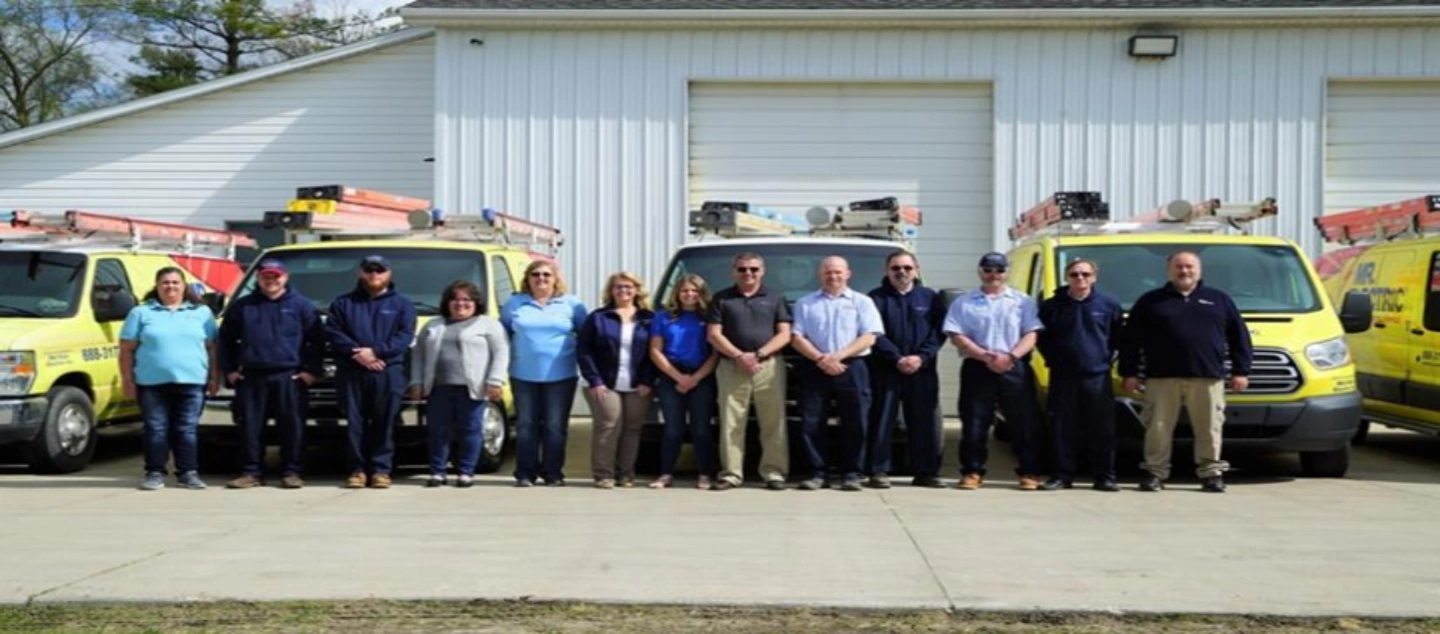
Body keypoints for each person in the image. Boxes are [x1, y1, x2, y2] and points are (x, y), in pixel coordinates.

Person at [1121, 251, 1252, 493]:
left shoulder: (1219, 300)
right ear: (1168, 270)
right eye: (1179, 267)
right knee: (1157, 428)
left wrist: (1240, 371)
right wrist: (1129, 372)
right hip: (1161, 377)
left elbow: (1239, 337)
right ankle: (1155, 473)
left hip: (1207, 376)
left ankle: (1211, 474)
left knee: (1209, 428)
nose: (1184, 271)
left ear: (1199, 270)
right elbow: (1131, 340)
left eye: (1189, 267)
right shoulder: (1150, 301)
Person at [942, 252, 1047, 491]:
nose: (994, 275)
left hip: (1014, 365)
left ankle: (1029, 472)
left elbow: (1032, 333)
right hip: (978, 366)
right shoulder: (965, 302)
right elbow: (955, 334)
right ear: (980, 271)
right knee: (974, 421)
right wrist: (983, 355)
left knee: (1024, 422)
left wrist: (1010, 356)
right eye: (988, 269)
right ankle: (972, 471)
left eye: (999, 270)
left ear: (1006, 272)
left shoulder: (1022, 301)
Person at [218, 259, 324, 490]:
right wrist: (231, 370)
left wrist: (311, 372)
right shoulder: (243, 307)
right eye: (266, 276)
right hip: (252, 377)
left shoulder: (302, 306)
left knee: (292, 427)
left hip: (290, 377)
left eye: (276, 276)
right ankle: (251, 472)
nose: (271, 280)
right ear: (258, 278)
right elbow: (225, 340)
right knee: (250, 428)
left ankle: (292, 472)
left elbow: (316, 342)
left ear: (285, 277)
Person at [119, 267, 220, 491]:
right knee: (156, 429)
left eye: (175, 282)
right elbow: (126, 350)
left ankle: (188, 473)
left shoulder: (201, 313)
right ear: (157, 286)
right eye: (165, 283)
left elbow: (213, 348)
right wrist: (127, 379)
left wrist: (214, 377)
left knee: (187, 429)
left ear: (184, 286)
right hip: (151, 383)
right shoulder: (140, 313)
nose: (170, 287)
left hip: (192, 381)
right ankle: (154, 472)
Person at [791, 256, 885, 492]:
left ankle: (852, 473)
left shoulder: (862, 302)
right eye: (827, 272)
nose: (833, 276)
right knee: (812, 422)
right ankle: (817, 473)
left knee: (856, 422)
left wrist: (838, 356)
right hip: (815, 367)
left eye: (837, 272)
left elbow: (869, 336)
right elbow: (796, 337)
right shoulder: (805, 303)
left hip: (852, 367)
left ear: (848, 274)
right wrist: (822, 359)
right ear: (819, 274)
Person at [326, 255, 417, 490]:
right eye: (369, 270)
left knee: (385, 422)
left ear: (389, 273)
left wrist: (376, 353)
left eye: (380, 270)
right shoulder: (342, 303)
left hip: (387, 372)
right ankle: (357, 470)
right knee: (354, 423)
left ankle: (381, 470)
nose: (374, 275)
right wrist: (359, 355)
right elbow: (334, 333)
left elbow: (404, 337)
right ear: (360, 273)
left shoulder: (402, 305)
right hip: (351, 371)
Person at [408, 280, 509, 488]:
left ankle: (466, 471)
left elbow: (501, 353)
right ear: (447, 303)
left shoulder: (488, 325)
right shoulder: (433, 325)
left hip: (473, 388)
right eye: (455, 299)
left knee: (471, 429)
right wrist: (416, 382)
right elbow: (418, 355)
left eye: (466, 300)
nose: (460, 304)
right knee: (438, 430)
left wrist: (495, 380)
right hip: (438, 388)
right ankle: (438, 471)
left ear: (475, 303)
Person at [1036, 259, 1124, 492]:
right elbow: (1042, 339)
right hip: (1063, 376)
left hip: (1097, 377)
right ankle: (1061, 476)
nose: (1080, 279)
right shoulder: (1052, 306)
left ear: (1094, 277)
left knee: (1102, 429)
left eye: (1085, 274)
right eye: (1074, 274)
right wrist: (1054, 360)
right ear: (1067, 277)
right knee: (1062, 428)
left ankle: (1104, 476)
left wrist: (1106, 361)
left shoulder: (1108, 305)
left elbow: (1117, 338)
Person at [707, 252, 792, 491]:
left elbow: (784, 333)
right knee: (731, 422)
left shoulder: (775, 297)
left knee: (773, 422)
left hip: (769, 366)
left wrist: (758, 355)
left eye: (753, 269)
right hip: (731, 365)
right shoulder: (721, 298)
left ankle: (774, 473)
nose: (748, 274)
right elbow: (714, 334)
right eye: (742, 269)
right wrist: (738, 356)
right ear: (734, 271)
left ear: (762, 271)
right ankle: (731, 474)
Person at [502, 260, 587, 487]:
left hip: (561, 376)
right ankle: (525, 473)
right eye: (535, 274)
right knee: (526, 425)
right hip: (523, 376)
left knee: (555, 426)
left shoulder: (572, 305)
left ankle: (553, 473)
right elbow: (504, 335)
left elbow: (585, 336)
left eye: (546, 275)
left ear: (555, 279)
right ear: (527, 278)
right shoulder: (515, 304)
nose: (541, 279)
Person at [867, 251, 948, 489]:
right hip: (885, 369)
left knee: (924, 422)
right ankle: (879, 470)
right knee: (882, 419)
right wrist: (896, 358)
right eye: (895, 268)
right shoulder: (875, 298)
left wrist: (921, 357)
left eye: (907, 268)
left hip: (921, 370)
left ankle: (926, 472)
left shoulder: (930, 298)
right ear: (887, 271)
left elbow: (939, 332)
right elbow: (873, 332)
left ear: (916, 269)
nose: (901, 272)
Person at [578, 271, 655, 489]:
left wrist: (648, 381)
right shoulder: (598, 317)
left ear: (636, 290)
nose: (623, 291)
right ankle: (604, 474)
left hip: (638, 384)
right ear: (611, 291)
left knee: (632, 429)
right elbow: (584, 351)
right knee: (608, 426)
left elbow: (655, 352)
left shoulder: (649, 318)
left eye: (628, 286)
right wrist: (595, 380)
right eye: (618, 287)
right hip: (604, 384)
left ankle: (626, 474)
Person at [647, 274, 719, 490]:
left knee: (701, 429)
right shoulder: (663, 317)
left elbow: (715, 354)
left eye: (695, 291)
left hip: (702, 376)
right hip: (671, 376)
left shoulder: (709, 317)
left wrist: (695, 378)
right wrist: (678, 377)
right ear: (677, 293)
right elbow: (655, 351)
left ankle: (705, 473)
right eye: (685, 291)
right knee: (672, 429)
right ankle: (666, 473)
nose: (690, 295)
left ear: (702, 293)